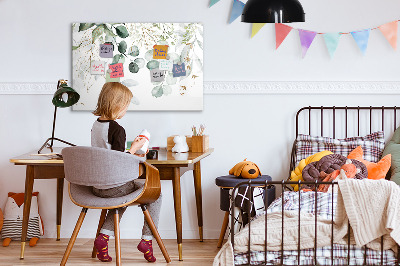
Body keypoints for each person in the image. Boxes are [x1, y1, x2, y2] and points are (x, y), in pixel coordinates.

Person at [91, 82, 161, 263]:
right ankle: (147, 240)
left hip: (97, 186)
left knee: (121, 197)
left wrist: (130, 149)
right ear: (117, 105)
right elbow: (119, 161)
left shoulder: (96, 125)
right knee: (156, 194)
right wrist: (136, 148)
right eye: (126, 106)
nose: (126, 110)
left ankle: (103, 238)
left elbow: (108, 154)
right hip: (114, 186)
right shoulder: (117, 129)